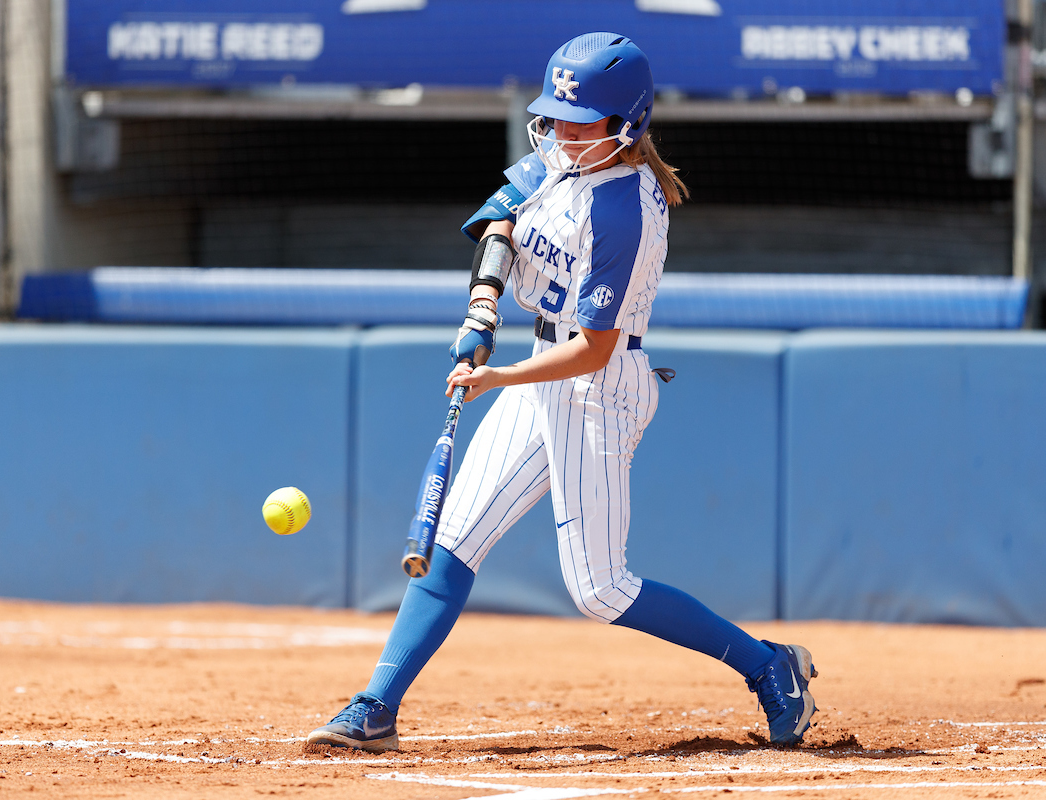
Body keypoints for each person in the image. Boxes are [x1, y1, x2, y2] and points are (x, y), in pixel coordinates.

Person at [306, 32, 817, 752]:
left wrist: (499, 377)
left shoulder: (624, 210)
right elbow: (499, 217)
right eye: (555, 119)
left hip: (596, 388)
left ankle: (770, 667)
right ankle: (376, 705)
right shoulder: (560, 157)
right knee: (452, 543)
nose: (560, 134)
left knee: (600, 591)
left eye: (581, 124)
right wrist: (483, 305)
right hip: (542, 366)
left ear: (627, 126)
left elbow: (593, 348)